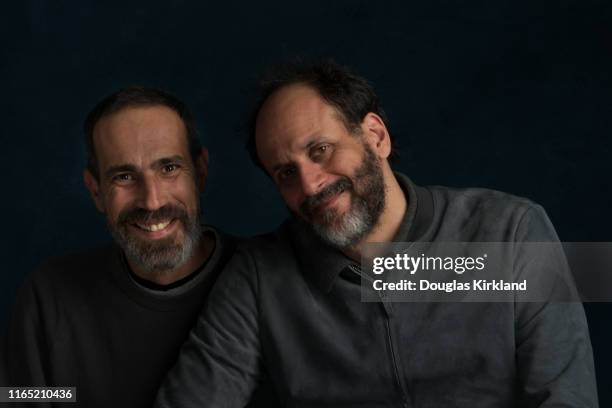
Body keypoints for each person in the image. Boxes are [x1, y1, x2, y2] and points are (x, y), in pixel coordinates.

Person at [155, 60, 598, 407]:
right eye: (286, 173)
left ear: (376, 136)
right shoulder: (258, 278)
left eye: (321, 150)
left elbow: (565, 398)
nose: (309, 185)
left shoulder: (513, 232)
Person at [3, 87, 274, 408]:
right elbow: (20, 395)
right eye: (124, 176)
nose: (152, 200)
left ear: (200, 173)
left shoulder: (268, 281)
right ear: (96, 191)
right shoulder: (50, 294)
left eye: (169, 168)